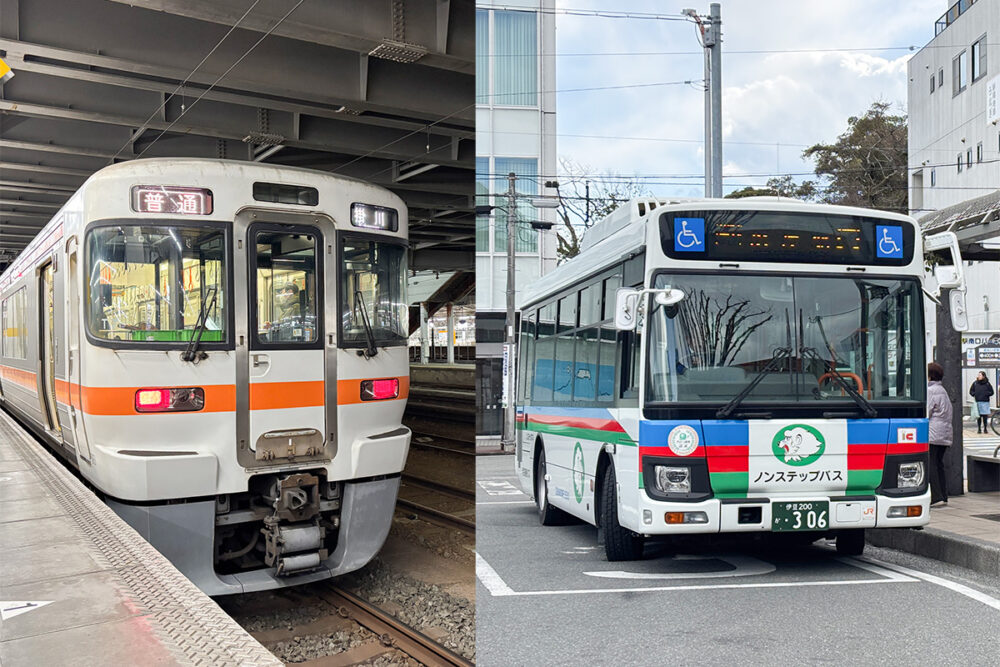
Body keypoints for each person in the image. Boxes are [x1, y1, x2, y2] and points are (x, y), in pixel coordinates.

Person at [927, 363, 952, 506]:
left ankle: (936, 497)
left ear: (930, 375)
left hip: (933, 433)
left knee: (931, 464)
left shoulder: (931, 391)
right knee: (938, 464)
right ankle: (943, 495)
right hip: (944, 433)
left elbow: (927, 411)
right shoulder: (942, 390)